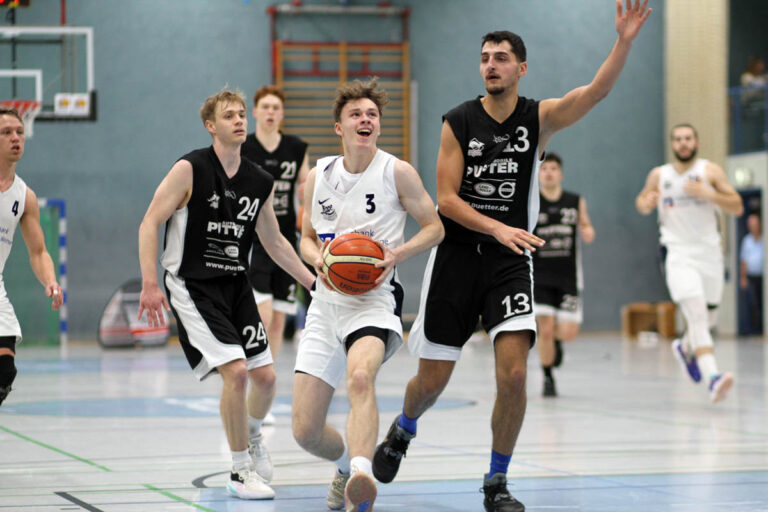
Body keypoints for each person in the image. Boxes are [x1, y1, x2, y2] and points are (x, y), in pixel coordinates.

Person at [373, 3, 652, 511]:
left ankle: (496, 483)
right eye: (484, 58)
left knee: (515, 374)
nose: (490, 65)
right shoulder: (459, 120)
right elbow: (448, 200)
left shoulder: (538, 118)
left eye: (501, 57)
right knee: (431, 383)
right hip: (458, 259)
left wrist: (625, 41)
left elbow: (595, 93)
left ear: (521, 68)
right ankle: (403, 427)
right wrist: (499, 225)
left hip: (509, 264)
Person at [137, 89, 315, 501]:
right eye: (229, 115)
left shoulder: (259, 180)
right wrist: (150, 282)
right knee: (235, 373)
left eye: (241, 114)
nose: (239, 120)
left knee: (266, 379)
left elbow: (275, 242)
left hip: (236, 284)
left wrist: (312, 283)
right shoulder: (189, 169)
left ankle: (251, 435)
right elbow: (150, 222)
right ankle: (238, 471)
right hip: (192, 285)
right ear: (210, 126)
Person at [291, 78, 443, 512]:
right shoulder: (317, 176)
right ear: (339, 127)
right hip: (325, 303)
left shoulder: (397, 172)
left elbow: (435, 228)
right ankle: (344, 467)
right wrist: (317, 259)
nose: (365, 120)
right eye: (356, 114)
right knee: (305, 431)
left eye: (372, 115)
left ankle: (361, 474)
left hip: (375, 300)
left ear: (379, 125)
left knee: (361, 377)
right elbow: (304, 237)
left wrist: (397, 253)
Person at [635, 123, 743, 403]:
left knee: (708, 318)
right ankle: (713, 378)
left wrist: (709, 194)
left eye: (688, 138)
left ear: (696, 142)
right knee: (695, 314)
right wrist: (647, 203)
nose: (683, 143)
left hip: (709, 253)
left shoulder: (710, 171)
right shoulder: (660, 175)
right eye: (678, 139)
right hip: (677, 251)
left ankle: (685, 348)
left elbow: (737, 205)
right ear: (672, 144)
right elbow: (642, 203)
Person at [242, 85, 310, 425]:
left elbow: (305, 190)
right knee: (264, 318)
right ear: (255, 112)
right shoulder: (244, 147)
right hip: (253, 241)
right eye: (265, 107)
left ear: (282, 114)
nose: (270, 112)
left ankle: (262, 389)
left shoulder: (296, 148)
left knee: (281, 321)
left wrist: (311, 225)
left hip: (285, 240)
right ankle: (254, 384)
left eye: (276, 108)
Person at [0, 108, 63, 407]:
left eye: (19, 132)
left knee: (4, 371)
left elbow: (38, 252)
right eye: (6, 132)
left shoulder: (25, 196)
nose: (15, 138)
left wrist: (51, 281)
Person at [533, 152, 594, 397]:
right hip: (539, 275)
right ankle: (548, 376)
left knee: (567, 332)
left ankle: (556, 345)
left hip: (568, 276)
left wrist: (587, 230)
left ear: (561, 173)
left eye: (553, 168)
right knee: (545, 328)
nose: (548, 172)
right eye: (544, 168)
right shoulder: (532, 202)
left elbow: (585, 224)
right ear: (539, 174)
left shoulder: (574, 200)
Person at [740, 212, 763, 334]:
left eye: (755, 224)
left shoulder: (764, 239)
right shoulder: (747, 241)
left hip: (763, 277)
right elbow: (743, 261)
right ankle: (753, 330)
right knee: (752, 303)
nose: (753, 227)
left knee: (762, 302)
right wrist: (743, 278)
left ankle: (762, 329)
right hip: (751, 276)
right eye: (751, 225)